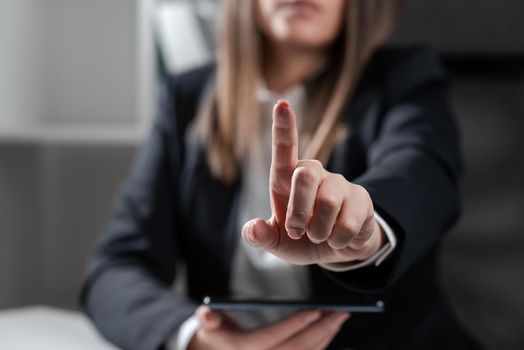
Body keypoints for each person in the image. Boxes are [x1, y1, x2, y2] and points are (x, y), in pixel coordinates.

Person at [81, 0, 481, 349]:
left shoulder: (403, 77)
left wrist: (364, 228)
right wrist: (195, 339)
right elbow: (115, 269)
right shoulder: (186, 98)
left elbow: (422, 173)